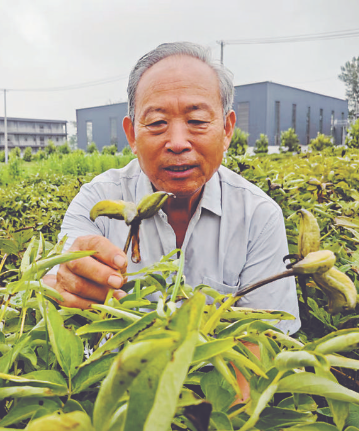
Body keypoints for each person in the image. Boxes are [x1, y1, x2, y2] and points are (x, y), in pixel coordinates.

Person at [43, 42, 300, 335]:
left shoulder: (259, 216)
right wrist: (69, 279)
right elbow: (58, 279)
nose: (177, 142)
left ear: (227, 130)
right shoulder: (95, 201)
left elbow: (265, 340)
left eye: (197, 120)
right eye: (157, 122)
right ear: (132, 135)